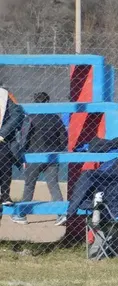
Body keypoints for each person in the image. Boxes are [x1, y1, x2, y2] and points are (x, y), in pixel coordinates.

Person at [13, 92, 66, 222]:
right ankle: (61, 213)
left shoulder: (31, 117)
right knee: (53, 184)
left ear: (35, 102)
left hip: (33, 155)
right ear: (48, 102)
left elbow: (24, 138)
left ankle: (22, 214)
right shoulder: (55, 118)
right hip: (52, 156)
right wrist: (58, 150)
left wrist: (22, 154)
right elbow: (64, 138)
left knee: (29, 185)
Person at [0, 85, 26, 207]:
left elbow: (17, 114)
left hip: (2, 140)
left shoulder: (5, 94)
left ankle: (5, 194)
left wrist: (2, 134)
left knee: (5, 162)